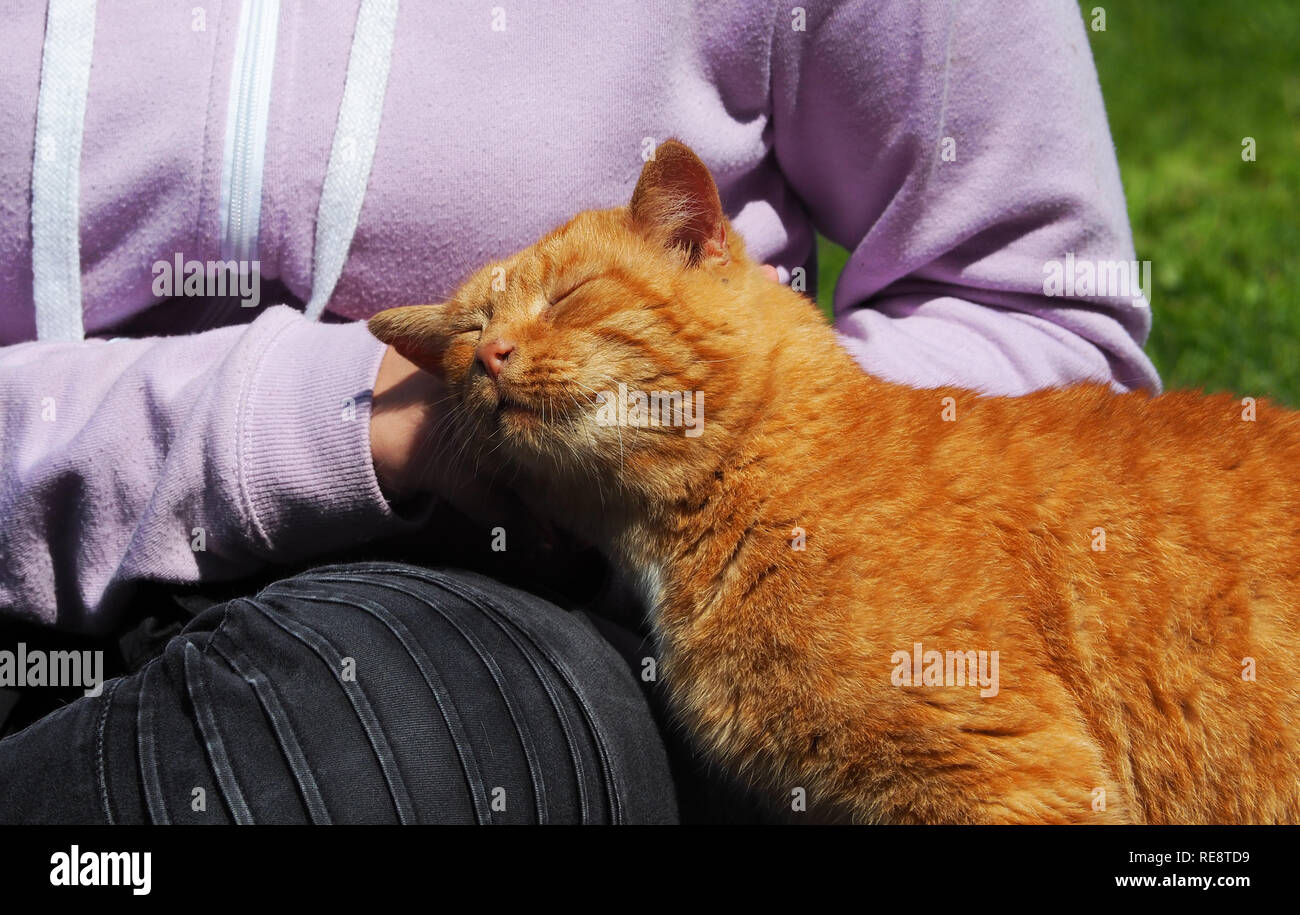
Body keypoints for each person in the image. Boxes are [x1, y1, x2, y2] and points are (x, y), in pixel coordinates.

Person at [0, 0, 1158, 823]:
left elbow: (1036, 304)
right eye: (475, 341)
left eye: (562, 308)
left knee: (382, 748)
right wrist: (317, 418)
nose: (495, 351)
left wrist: (744, 486)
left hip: (470, 617)